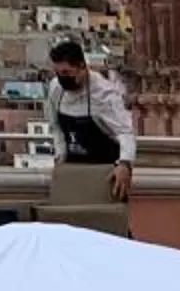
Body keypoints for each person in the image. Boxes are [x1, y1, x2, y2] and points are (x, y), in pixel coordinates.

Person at [46, 37, 135, 200]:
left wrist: (125, 164)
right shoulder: (55, 89)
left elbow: (125, 131)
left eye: (66, 73)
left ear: (82, 67)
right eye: (58, 73)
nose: (61, 78)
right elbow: (55, 126)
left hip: (105, 171)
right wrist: (61, 154)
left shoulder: (104, 94)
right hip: (73, 168)